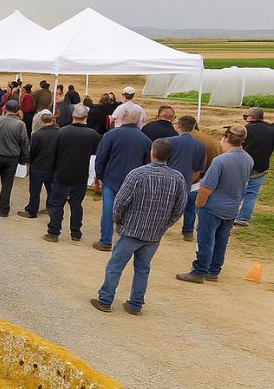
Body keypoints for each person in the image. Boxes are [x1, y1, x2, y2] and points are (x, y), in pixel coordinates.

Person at [91, 138, 186, 314]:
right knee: (143, 268)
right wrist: (164, 225)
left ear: (152, 153)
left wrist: (119, 221)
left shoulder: (137, 174)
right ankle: (135, 304)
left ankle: (105, 300)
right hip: (154, 234)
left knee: (115, 265)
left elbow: (119, 202)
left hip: (132, 229)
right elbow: (179, 208)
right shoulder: (178, 178)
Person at [176, 126, 254, 283]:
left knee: (205, 239)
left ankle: (199, 271)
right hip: (232, 208)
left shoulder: (220, 160)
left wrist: (199, 204)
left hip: (213, 207)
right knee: (221, 241)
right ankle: (214, 270)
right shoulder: (248, 159)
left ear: (226, 138)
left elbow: (206, 187)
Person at [92, 103, 151, 251]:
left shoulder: (110, 135)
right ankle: (125, 243)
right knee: (131, 212)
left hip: (111, 179)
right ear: (138, 119)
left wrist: (98, 176)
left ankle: (105, 241)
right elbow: (147, 164)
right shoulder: (145, 140)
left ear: (123, 117)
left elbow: (101, 157)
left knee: (108, 210)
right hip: (134, 183)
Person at [45, 104, 101, 242]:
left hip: (62, 172)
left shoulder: (61, 132)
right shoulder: (92, 135)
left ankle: (53, 231)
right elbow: (95, 155)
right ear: (85, 117)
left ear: (73, 116)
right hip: (81, 175)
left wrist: (51, 171)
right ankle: (76, 232)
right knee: (76, 205)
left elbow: (53, 154)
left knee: (57, 204)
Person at [166, 115, 207, 242]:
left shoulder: (168, 141)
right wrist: (190, 180)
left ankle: (161, 227)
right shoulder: (200, 145)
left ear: (178, 126)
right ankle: (188, 232)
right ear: (194, 127)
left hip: (170, 180)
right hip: (190, 180)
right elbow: (199, 169)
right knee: (190, 207)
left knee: (166, 205)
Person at [237, 106, 274, 226]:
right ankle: (243, 218)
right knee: (251, 194)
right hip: (261, 167)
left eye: (246, 115)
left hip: (244, 165)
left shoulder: (247, 129)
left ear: (252, 117)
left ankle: (231, 215)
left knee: (237, 191)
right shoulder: (271, 130)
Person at [21, 110, 59, 217]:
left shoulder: (37, 135)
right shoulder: (59, 133)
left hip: (38, 166)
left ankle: (32, 210)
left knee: (34, 190)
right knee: (51, 189)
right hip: (53, 165)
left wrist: (28, 161)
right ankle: (50, 208)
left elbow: (33, 151)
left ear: (41, 121)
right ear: (52, 121)